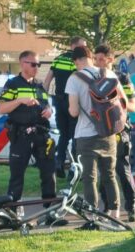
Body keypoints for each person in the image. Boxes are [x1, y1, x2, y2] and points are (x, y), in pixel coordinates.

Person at [0, 50, 63, 224]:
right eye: (33, 64)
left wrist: (49, 110)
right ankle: (12, 214)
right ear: (22, 63)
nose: (36, 68)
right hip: (21, 135)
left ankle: (50, 212)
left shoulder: (39, 85)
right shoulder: (13, 84)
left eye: (38, 64)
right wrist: (19, 101)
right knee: (17, 174)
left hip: (41, 134)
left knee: (49, 173)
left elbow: (46, 105)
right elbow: (1, 108)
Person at [65, 45, 128, 218]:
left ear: (76, 61)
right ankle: (115, 212)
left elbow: (74, 112)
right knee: (109, 175)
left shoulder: (74, 78)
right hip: (108, 132)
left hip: (85, 136)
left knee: (89, 177)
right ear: (91, 57)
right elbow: (124, 102)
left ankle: (91, 214)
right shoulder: (109, 74)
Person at [93, 44, 135, 222]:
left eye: (101, 59)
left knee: (122, 168)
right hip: (101, 132)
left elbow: (133, 107)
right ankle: (107, 207)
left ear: (110, 59)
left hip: (120, 131)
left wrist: (117, 101)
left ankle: (131, 207)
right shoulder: (93, 79)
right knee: (104, 170)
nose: (97, 63)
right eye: (95, 59)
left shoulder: (123, 78)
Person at [44, 36, 87, 179]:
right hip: (73, 101)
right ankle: (74, 170)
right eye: (82, 46)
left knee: (63, 135)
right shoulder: (78, 61)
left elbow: (47, 81)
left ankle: (59, 163)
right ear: (74, 45)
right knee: (75, 135)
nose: (85, 49)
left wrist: (45, 101)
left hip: (58, 100)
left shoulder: (58, 59)